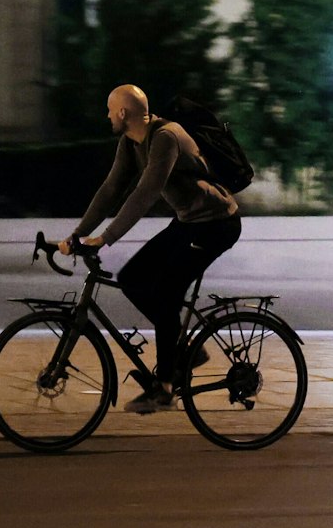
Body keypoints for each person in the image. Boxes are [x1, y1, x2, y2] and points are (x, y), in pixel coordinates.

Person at [60, 83, 242, 413]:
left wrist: (106, 237)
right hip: (189, 221)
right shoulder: (130, 142)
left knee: (166, 292)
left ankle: (165, 387)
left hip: (217, 224)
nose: (107, 116)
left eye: (109, 110)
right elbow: (111, 189)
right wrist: (78, 235)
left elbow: (146, 192)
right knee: (132, 278)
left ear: (123, 112)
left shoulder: (165, 137)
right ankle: (187, 350)